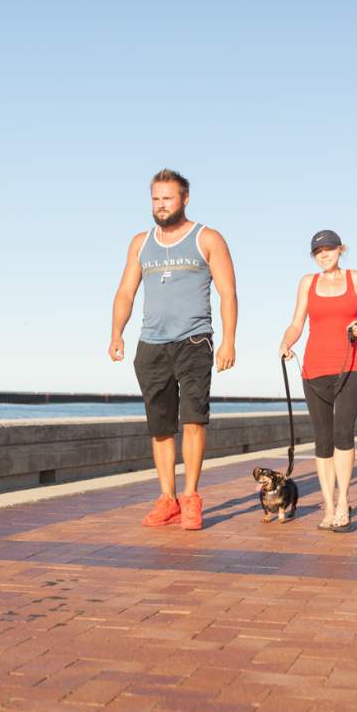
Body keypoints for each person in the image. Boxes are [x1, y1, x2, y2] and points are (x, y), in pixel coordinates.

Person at [109, 169, 237, 531]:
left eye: (167, 198)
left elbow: (228, 292)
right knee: (161, 427)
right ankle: (167, 499)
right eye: (155, 199)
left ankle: (191, 497)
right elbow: (125, 292)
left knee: (193, 419)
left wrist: (228, 340)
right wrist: (117, 333)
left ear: (184, 199)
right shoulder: (140, 243)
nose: (161, 205)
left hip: (194, 341)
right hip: (151, 344)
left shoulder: (207, 238)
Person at [279, 230, 357, 532]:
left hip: (350, 365)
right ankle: (328, 503)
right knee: (322, 439)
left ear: (340, 249)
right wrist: (286, 342)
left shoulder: (355, 278)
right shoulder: (307, 283)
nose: (324, 255)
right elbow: (297, 322)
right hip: (314, 367)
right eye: (318, 252)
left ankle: (343, 500)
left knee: (343, 433)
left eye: (329, 249)